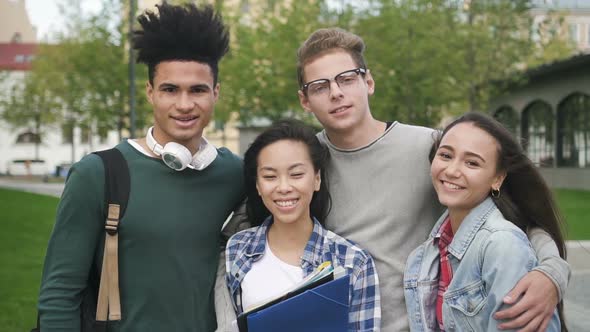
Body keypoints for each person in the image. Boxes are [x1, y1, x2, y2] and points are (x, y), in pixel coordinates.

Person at [295, 27, 570, 331]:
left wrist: (552, 273)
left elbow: (521, 216)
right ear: (305, 100)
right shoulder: (300, 163)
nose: (336, 92)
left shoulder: (437, 150)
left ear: (368, 81)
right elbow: (247, 229)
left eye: (347, 78)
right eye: (320, 86)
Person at [37, 3, 244, 331]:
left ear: (216, 93)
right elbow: (60, 294)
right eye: (170, 89)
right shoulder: (97, 174)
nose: (184, 104)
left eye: (198, 90)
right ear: (150, 92)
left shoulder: (235, 174)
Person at [404, 112, 566, 331]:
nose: (451, 171)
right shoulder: (430, 252)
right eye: (446, 155)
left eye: (472, 163)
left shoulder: (502, 246)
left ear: (497, 178)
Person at [225, 119, 381, 331]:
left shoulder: (352, 261)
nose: (284, 187)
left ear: (317, 179)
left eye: (296, 174)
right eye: (270, 176)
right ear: (258, 186)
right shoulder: (239, 247)